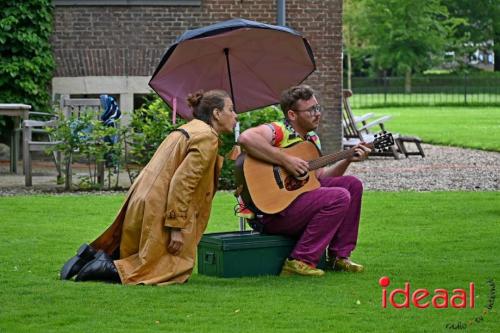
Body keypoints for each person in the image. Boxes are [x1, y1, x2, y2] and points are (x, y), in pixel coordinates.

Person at [60, 89, 238, 285]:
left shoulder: (189, 129)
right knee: (171, 267)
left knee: (147, 254)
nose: (235, 115)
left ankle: (91, 256)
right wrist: (176, 226)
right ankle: (108, 269)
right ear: (216, 113)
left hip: (143, 198)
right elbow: (183, 183)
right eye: (231, 109)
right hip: (160, 204)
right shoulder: (206, 137)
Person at [237, 84, 371, 277]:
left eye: (317, 108)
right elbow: (246, 138)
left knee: (352, 185)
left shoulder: (312, 138)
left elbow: (320, 178)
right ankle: (300, 261)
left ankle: (339, 256)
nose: (317, 114)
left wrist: (348, 158)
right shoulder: (279, 130)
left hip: (295, 203)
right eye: (311, 110)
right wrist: (286, 160)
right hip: (270, 212)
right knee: (338, 196)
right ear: (292, 114)